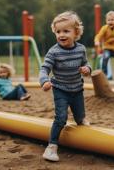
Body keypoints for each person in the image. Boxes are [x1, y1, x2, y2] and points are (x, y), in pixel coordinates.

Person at [39, 11, 91, 162]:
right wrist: (44, 81)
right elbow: (44, 68)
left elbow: (86, 64)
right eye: (58, 31)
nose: (61, 34)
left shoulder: (81, 49)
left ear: (76, 33)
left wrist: (87, 70)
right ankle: (51, 147)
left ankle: (84, 130)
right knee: (61, 118)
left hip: (77, 90)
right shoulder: (54, 52)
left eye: (66, 31)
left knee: (80, 117)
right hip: (60, 89)